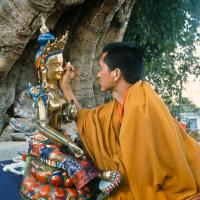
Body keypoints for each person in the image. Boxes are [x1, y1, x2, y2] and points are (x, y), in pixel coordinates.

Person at [60, 42, 200, 200]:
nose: (98, 74)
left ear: (116, 73)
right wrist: (66, 86)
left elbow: (162, 164)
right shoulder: (117, 107)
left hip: (164, 192)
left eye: (101, 68)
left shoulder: (142, 103)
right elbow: (85, 119)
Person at [20, 17, 121, 200]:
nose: (60, 68)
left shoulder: (57, 90)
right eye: (56, 65)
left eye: (61, 64)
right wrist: (68, 143)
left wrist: (71, 109)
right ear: (43, 67)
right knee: (66, 160)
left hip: (62, 137)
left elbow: (66, 114)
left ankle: (93, 177)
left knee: (86, 147)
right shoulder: (38, 92)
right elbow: (42, 125)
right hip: (43, 141)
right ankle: (98, 179)